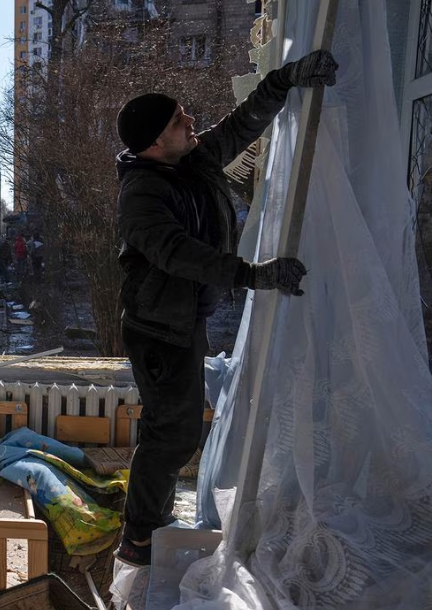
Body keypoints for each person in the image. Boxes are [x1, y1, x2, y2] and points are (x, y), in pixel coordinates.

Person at [112, 49, 336, 567]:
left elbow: (238, 127)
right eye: (177, 119)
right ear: (153, 142)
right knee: (176, 431)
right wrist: (252, 275)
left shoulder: (189, 159)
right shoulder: (141, 194)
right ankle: (141, 536)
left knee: (168, 427)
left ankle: (146, 526)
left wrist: (282, 81)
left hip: (181, 319)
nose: (189, 120)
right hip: (158, 330)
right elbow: (175, 253)